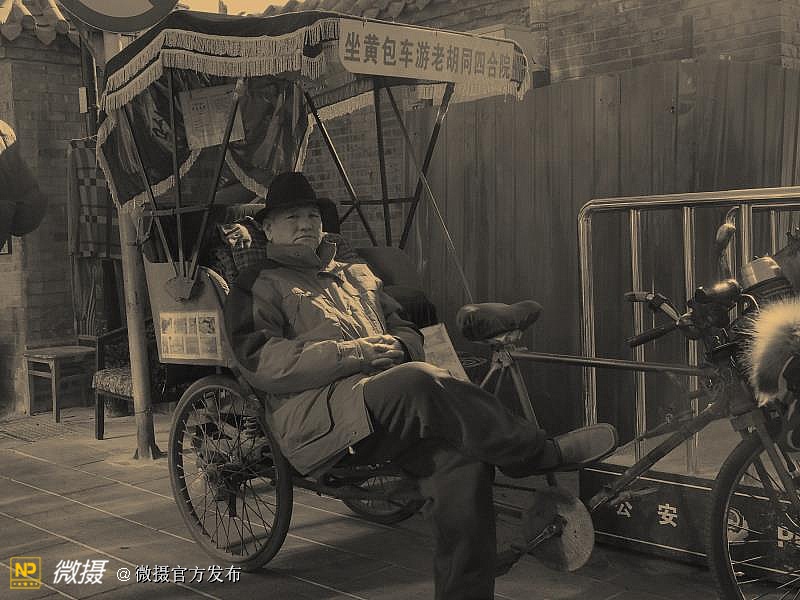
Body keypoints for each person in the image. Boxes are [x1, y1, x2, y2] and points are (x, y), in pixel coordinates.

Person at [223, 172, 617, 600]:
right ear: (268, 228)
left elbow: (407, 330)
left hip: (386, 408)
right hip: (321, 418)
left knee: (463, 464)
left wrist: (398, 344)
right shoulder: (257, 283)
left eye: (312, 216)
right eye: (292, 217)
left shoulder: (355, 272)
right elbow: (263, 362)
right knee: (418, 379)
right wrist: (357, 353)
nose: (305, 224)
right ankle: (538, 454)